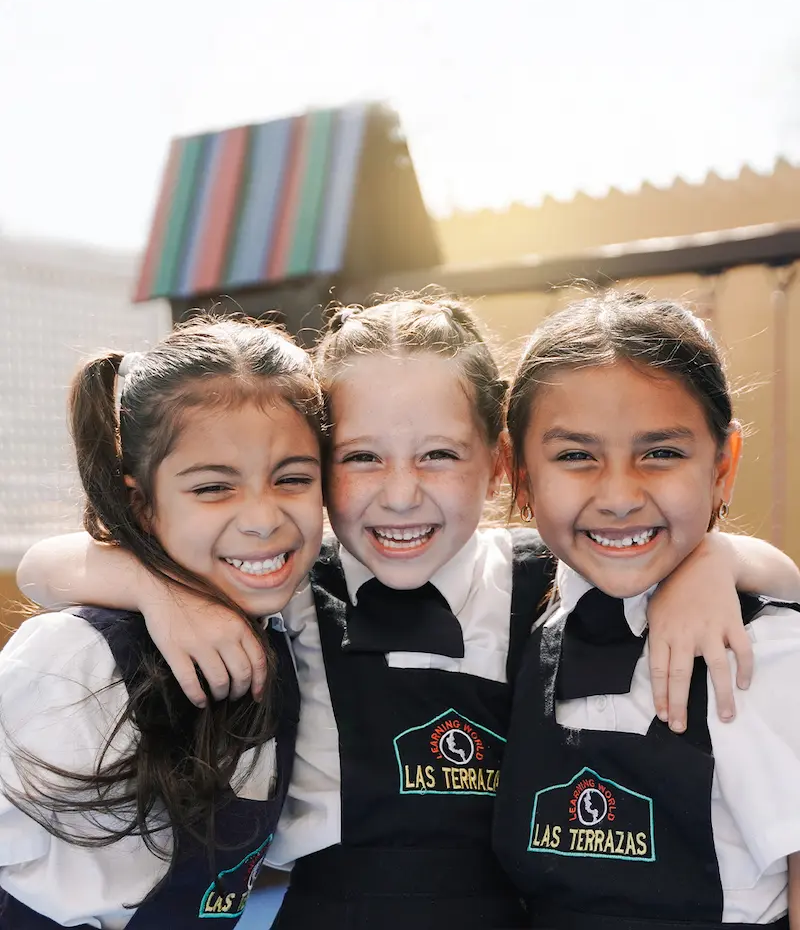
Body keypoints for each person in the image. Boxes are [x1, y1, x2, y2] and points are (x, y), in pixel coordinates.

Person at [17, 296, 800, 929]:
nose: (399, 493)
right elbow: (46, 568)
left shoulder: (546, 578)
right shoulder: (285, 586)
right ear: (318, 469)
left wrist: (717, 559)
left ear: (499, 462)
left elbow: (759, 577)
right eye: (360, 457)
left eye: (438, 454)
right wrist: (161, 594)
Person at [0, 317, 325, 928]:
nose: (262, 517)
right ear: (140, 505)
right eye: (212, 489)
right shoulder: (78, 659)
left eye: (294, 479)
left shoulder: (298, 629)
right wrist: (154, 589)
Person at [493, 291, 800, 929]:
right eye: (576, 456)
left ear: (723, 467)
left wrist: (724, 559)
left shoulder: (762, 651)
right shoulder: (518, 619)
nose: (618, 496)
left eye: (660, 453)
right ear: (518, 472)